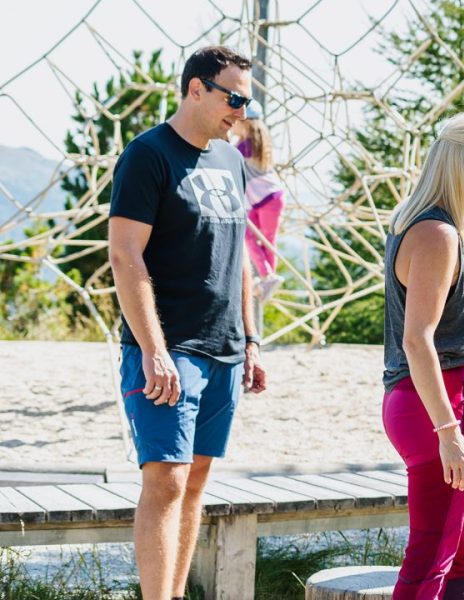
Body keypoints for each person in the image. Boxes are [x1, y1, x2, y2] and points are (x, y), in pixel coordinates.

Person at [107, 45, 268, 600]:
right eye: (235, 98)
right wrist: (153, 348)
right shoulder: (147, 155)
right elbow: (126, 256)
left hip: (225, 349)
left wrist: (250, 339)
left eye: (249, 100)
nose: (242, 111)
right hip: (168, 348)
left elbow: (239, 255)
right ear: (196, 88)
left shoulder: (230, 160)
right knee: (166, 479)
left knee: (196, 481)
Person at [381, 110, 464, 600]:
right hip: (438, 407)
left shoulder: (417, 222)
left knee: (461, 548)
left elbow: (434, 321)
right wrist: (449, 432)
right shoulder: (438, 234)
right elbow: (417, 338)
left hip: (431, 397)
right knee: (431, 556)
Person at [230, 104, 285, 332]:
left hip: (268, 199)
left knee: (262, 238)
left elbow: (228, 155)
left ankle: (268, 276)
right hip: (260, 199)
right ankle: (268, 276)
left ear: (246, 124)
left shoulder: (244, 146)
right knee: (254, 237)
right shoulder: (254, 144)